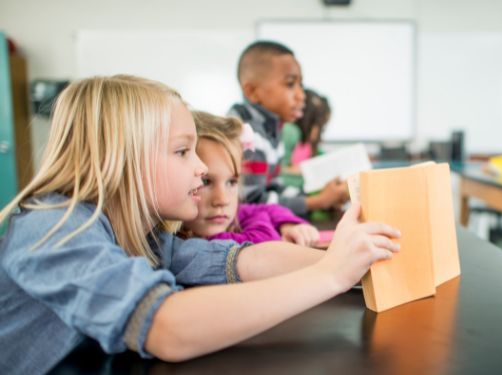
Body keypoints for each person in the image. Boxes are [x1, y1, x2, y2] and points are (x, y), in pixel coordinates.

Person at [0, 75, 400, 374]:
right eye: (182, 151)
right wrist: (329, 275)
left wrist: (353, 264)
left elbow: (244, 259)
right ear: (121, 158)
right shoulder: (53, 230)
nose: (202, 167)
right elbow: (165, 326)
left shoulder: (146, 236)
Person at [228, 41, 347, 216]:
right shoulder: (248, 134)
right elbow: (252, 201)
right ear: (252, 92)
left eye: (301, 85)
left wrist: (323, 199)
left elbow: (275, 187)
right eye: (291, 84)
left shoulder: (273, 130)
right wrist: (317, 201)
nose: (301, 95)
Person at [183, 111, 320, 246]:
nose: (222, 200)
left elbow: (269, 209)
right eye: (206, 181)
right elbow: (265, 241)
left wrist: (288, 224)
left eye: (231, 182)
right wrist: (263, 220)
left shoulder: (226, 214)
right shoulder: (188, 244)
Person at [282, 88, 331, 174]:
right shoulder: (291, 132)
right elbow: (276, 171)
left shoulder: (311, 145)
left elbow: (324, 159)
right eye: (320, 125)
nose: (320, 131)